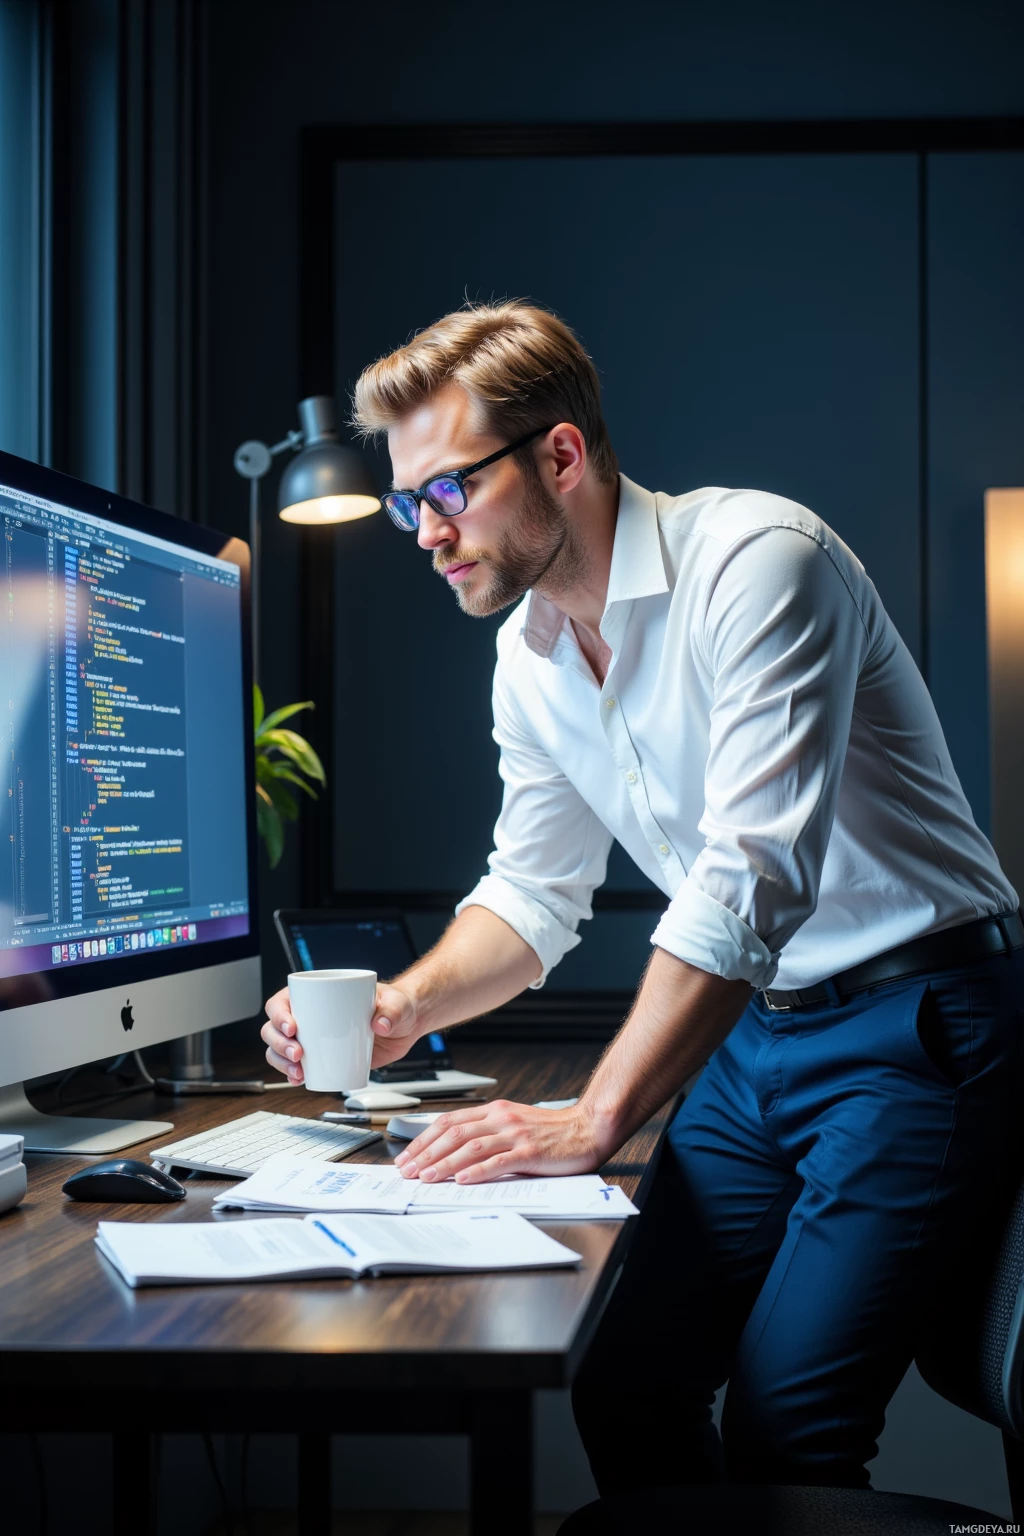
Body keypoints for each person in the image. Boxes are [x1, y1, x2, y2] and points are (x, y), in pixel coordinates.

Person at [261, 300, 1022, 1491]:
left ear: (560, 455)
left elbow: (747, 880)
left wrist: (595, 1115)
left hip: (917, 1021)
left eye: (445, 490)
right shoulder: (528, 655)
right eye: (409, 502)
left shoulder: (761, 561)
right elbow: (529, 893)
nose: (422, 531)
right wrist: (403, 1007)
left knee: (789, 1434)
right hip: (755, 1033)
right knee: (624, 1385)